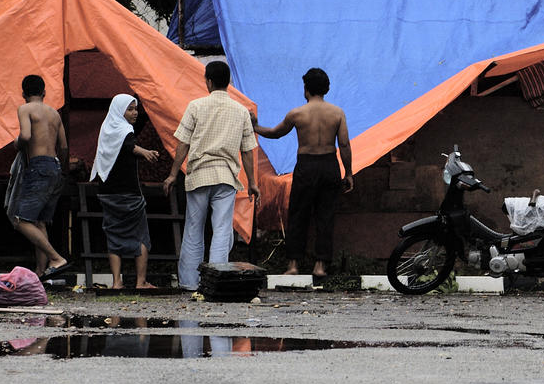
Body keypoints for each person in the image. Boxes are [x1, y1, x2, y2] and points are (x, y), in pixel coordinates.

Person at [163, 61, 260, 292]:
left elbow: (183, 144)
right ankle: (216, 284)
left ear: (208, 81)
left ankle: (189, 282)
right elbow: (247, 151)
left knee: (194, 229)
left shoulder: (195, 106)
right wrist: (253, 183)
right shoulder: (241, 111)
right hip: (226, 177)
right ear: (228, 83)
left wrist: (172, 174)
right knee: (222, 229)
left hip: (198, 175)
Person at [252, 67, 353, 277]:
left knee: (298, 214)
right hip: (328, 165)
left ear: (306, 89)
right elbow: (344, 145)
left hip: (306, 166)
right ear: (326, 89)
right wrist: (349, 172)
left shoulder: (297, 113)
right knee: (325, 216)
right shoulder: (337, 113)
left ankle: (293, 265)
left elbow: (274, 133)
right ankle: (320, 266)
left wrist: (255, 127)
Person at [90, 94, 160, 289]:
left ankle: (116, 282)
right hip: (129, 193)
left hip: (107, 192)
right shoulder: (125, 130)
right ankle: (141, 281)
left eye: (135, 108)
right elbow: (128, 145)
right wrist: (145, 152)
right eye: (130, 109)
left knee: (113, 235)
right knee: (141, 236)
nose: (134, 113)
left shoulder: (106, 129)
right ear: (119, 110)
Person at [12, 74, 72, 279]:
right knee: (40, 222)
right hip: (55, 167)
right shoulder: (55, 114)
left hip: (38, 166)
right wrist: (61, 168)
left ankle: (56, 258)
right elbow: (64, 147)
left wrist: (17, 143)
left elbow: (27, 136)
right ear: (44, 92)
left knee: (20, 220)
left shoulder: (25, 109)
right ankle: (41, 272)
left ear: (23, 94)